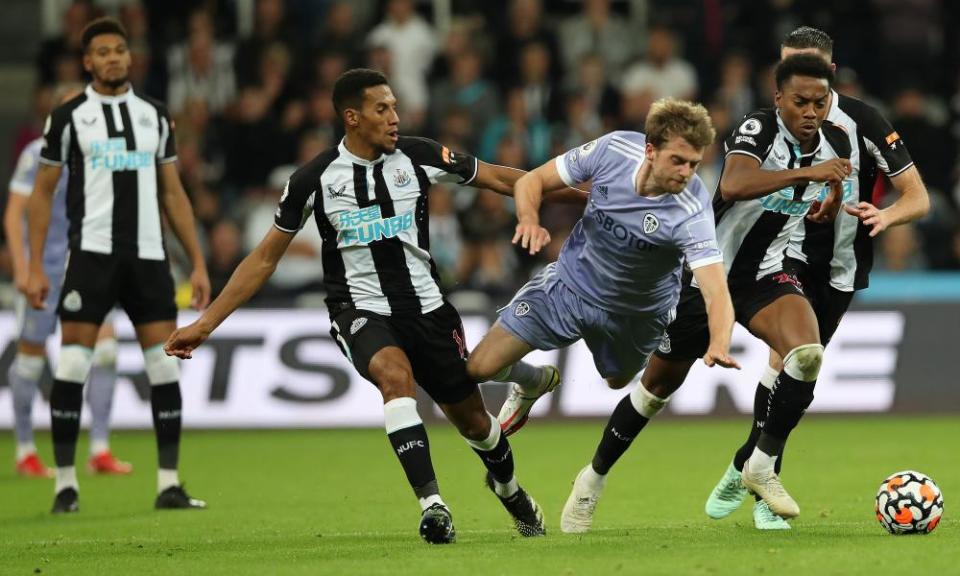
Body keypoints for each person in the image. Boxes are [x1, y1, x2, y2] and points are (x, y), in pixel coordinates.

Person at [164, 68, 585, 544]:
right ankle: (434, 505)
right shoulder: (313, 180)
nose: (394, 118)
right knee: (394, 378)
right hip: (358, 310)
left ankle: (511, 492)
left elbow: (502, 178)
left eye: (395, 107)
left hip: (427, 309)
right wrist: (206, 324)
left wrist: (591, 196)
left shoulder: (420, 156)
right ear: (352, 117)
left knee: (475, 423)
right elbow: (263, 260)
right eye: (381, 109)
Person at [463, 98, 741, 533]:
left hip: (636, 316)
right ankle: (534, 381)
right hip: (568, 287)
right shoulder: (612, 150)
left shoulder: (691, 210)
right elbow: (532, 181)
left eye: (694, 164)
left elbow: (716, 291)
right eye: (678, 161)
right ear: (650, 150)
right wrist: (529, 218)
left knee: (616, 381)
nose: (687, 173)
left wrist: (719, 341)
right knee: (478, 367)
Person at [704, 27, 930, 530]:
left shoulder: (864, 121)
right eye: (787, 70)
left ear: (830, 72)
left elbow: (918, 197)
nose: (799, 88)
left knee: (798, 369)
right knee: (789, 357)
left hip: (843, 267)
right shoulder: (771, 124)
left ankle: (744, 464)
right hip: (788, 256)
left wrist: (884, 218)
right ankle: (764, 492)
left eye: (810, 72)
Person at [25, 18, 211, 514]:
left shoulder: (154, 114)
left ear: (130, 57)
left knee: (163, 369)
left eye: (120, 50)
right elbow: (41, 195)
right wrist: (36, 265)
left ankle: (169, 484)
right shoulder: (67, 117)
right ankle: (66, 485)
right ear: (87, 62)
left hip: (149, 259)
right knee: (73, 364)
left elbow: (173, 192)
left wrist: (197, 262)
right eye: (103, 52)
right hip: (90, 257)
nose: (113, 58)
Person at [5, 83, 132, 478]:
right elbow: (14, 214)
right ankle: (25, 449)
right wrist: (24, 267)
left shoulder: (100, 155)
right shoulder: (36, 153)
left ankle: (99, 449)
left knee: (106, 354)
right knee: (30, 360)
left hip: (91, 268)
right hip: (45, 270)